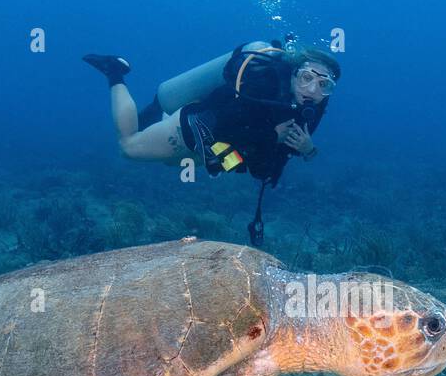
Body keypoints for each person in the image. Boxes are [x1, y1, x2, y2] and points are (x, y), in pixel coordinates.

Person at [83, 41, 339, 243]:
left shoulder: (310, 110)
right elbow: (223, 122)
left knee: (168, 163)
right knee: (128, 147)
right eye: (307, 78)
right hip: (192, 130)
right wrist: (272, 136)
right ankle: (114, 72)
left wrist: (308, 149)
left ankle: (159, 116)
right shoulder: (261, 84)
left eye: (323, 85)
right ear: (294, 74)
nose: (313, 90)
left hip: (215, 154)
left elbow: (264, 169)